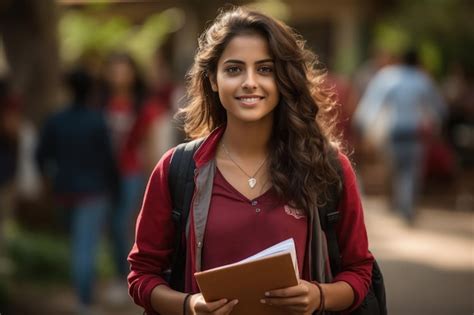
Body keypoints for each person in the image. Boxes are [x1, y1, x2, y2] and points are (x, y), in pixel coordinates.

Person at [128, 7, 373, 315]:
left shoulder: (327, 166)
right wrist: (189, 304)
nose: (249, 82)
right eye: (233, 69)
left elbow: (359, 270)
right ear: (213, 80)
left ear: (284, 78)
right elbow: (141, 276)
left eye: (265, 69)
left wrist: (319, 296)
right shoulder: (176, 169)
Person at [36, 68, 119, 314]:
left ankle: (82, 298)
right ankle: (84, 302)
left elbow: (41, 155)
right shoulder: (97, 120)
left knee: (77, 246)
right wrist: (114, 189)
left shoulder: (55, 120)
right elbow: (108, 160)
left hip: (64, 192)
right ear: (90, 90)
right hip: (93, 193)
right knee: (86, 247)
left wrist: (49, 181)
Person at [353, 49, 446, 224]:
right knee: (411, 171)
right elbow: (438, 107)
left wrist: (364, 126)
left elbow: (372, 104)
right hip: (415, 133)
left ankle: (401, 205)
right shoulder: (422, 79)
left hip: (393, 132)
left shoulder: (387, 77)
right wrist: (437, 125)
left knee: (395, 169)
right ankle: (406, 207)